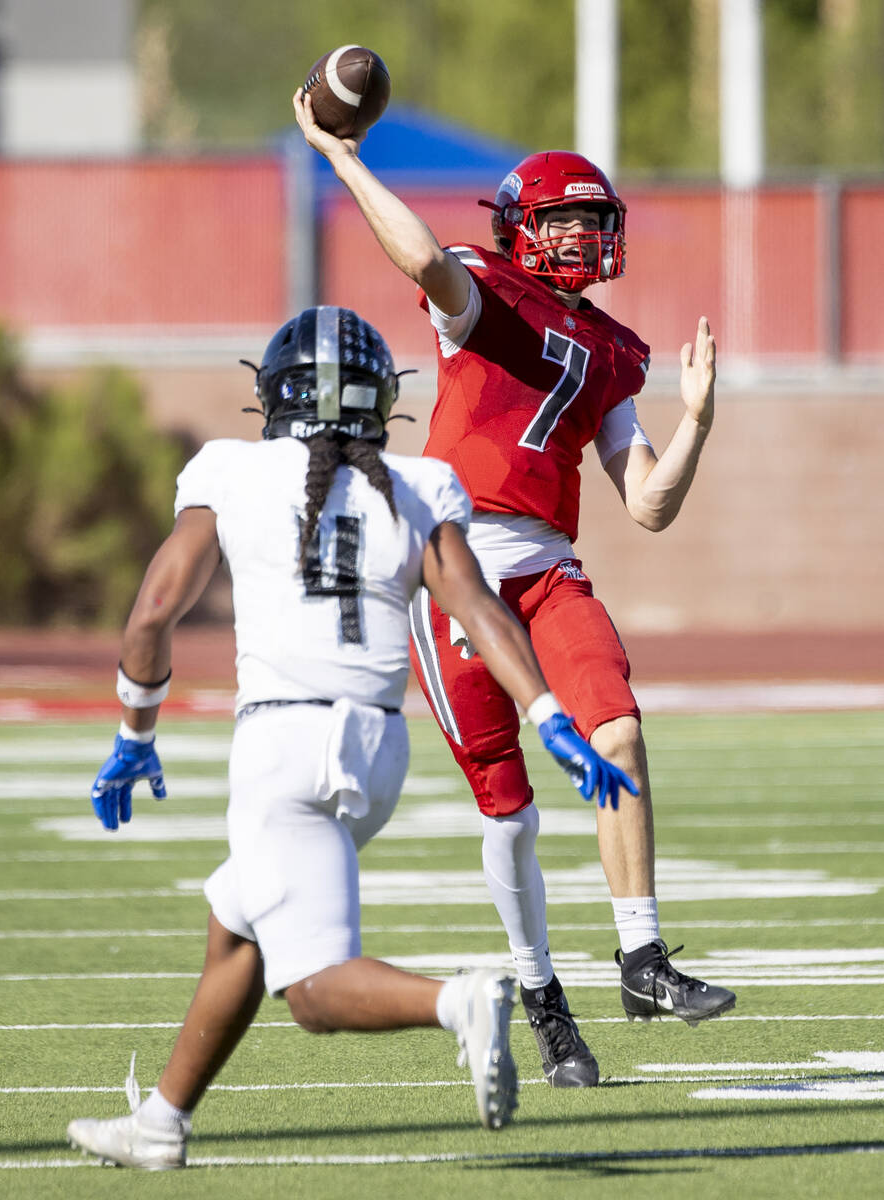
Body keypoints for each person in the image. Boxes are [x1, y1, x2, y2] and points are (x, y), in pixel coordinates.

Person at [66, 305, 637, 1170]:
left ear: (272, 397)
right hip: (377, 748)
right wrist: (549, 716)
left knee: (313, 991)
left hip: (283, 745)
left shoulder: (228, 469)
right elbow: (478, 612)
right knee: (239, 922)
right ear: (381, 402)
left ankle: (462, 1001)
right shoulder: (421, 483)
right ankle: (161, 1123)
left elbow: (153, 615)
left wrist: (134, 730)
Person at [294, 92, 737, 1090]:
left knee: (617, 729)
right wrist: (344, 158)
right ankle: (545, 1004)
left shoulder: (618, 352)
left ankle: (641, 959)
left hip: (544, 565)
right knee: (510, 812)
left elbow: (649, 506)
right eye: (562, 219)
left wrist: (700, 419)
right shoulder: (483, 296)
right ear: (519, 229)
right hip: (452, 569)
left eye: (593, 218)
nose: (581, 235)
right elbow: (418, 260)